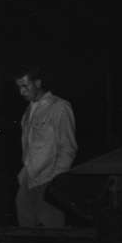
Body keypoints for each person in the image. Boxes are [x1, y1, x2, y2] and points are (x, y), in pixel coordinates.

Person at [14, 65, 77, 228]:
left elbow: (68, 147)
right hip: (28, 179)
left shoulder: (60, 107)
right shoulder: (28, 111)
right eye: (19, 87)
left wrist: (56, 182)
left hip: (49, 180)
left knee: (53, 234)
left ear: (38, 83)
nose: (21, 92)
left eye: (25, 86)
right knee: (26, 232)